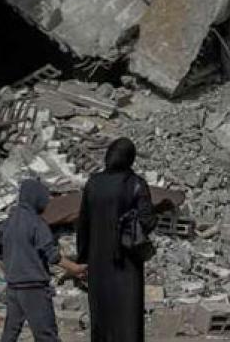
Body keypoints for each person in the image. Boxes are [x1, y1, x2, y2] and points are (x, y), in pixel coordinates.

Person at [76, 137, 155, 342]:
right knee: (127, 319)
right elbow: (148, 221)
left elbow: (82, 223)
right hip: (127, 264)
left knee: (102, 318)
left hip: (98, 264)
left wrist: (83, 257)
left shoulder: (93, 183)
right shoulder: (136, 184)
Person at [0, 178, 86, 342]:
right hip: (35, 289)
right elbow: (53, 255)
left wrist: (13, 273)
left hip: (13, 288)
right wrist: (75, 268)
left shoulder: (7, 224)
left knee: (9, 334)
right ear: (36, 199)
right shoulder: (37, 224)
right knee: (46, 334)